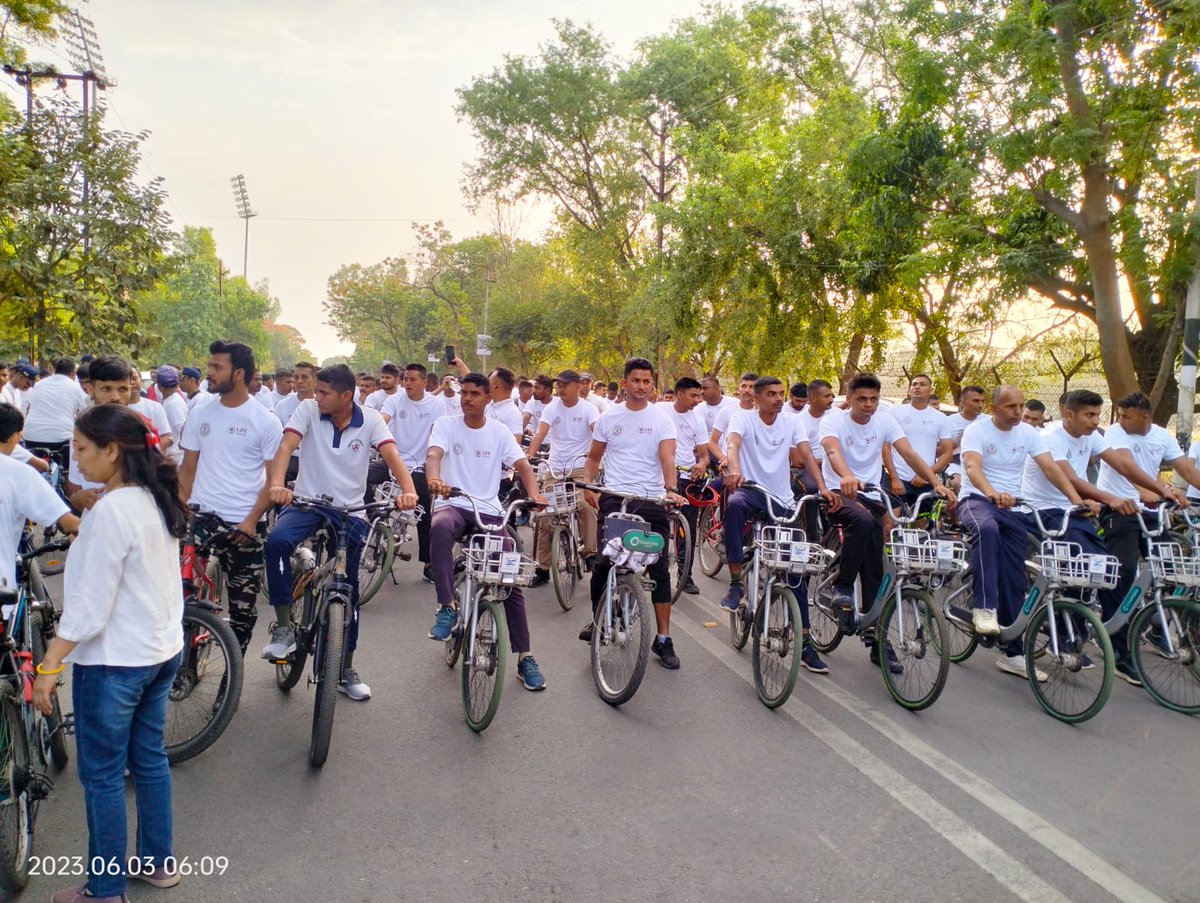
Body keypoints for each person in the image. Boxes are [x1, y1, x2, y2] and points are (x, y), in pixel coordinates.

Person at [35, 404, 185, 903]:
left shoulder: (112, 512)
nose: (76, 460)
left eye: (81, 449)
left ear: (112, 450)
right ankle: (158, 861)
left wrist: (50, 664)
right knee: (148, 760)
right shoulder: (152, 498)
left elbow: (90, 606)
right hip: (160, 651)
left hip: (116, 662)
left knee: (100, 777)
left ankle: (104, 890)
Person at [264, 365, 418, 700]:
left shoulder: (372, 419)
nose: (316, 397)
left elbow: (392, 456)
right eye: (316, 392)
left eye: (324, 393)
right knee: (276, 541)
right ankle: (284, 628)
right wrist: (277, 484)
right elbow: (286, 448)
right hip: (306, 502)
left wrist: (408, 491)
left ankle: (345, 667)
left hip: (349, 511)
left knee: (348, 588)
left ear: (346, 396)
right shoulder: (307, 410)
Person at [1021, 389, 1176, 684]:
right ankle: (1065, 636)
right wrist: (1112, 499)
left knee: (1104, 566)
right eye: (1089, 415)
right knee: (1079, 566)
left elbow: (1124, 465)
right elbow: (1073, 479)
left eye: (1097, 415)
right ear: (1069, 414)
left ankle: (1092, 630)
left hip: (1072, 509)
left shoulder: (1092, 436)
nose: (1095, 421)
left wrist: (1161, 490)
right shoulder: (1051, 437)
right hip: (1043, 510)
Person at [820, 373, 955, 672]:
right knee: (864, 522)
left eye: (874, 399)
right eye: (862, 399)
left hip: (872, 494)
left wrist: (937, 483)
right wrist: (845, 475)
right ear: (850, 398)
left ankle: (877, 639)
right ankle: (842, 586)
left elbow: (909, 453)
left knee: (877, 566)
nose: (868, 405)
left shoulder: (885, 421)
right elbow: (832, 451)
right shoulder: (833, 421)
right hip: (838, 494)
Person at [424, 373, 549, 691]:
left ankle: (525, 658)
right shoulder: (447, 425)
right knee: (438, 527)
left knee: (510, 575)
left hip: (490, 511)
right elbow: (434, 456)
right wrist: (436, 479)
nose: (467, 398)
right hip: (453, 503)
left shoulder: (499, 432)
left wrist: (534, 494)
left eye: (474, 394)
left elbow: (522, 466)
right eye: (463, 393)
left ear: (488, 398)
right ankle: (446, 608)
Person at [958, 385, 1089, 678]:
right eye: (1010, 407)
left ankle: (1014, 653)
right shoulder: (977, 431)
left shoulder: (1029, 434)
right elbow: (972, 466)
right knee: (987, 529)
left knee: (1015, 578)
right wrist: (991, 492)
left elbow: (1051, 468)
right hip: (977, 500)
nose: (1018, 412)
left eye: (1020, 406)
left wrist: (1076, 500)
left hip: (1014, 508)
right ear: (994, 409)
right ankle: (984, 607)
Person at [720, 377, 834, 674]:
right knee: (733, 505)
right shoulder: (742, 418)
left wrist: (821, 487)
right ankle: (735, 584)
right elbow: (733, 445)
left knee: (795, 570)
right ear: (756, 398)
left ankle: (806, 645)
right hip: (751, 489)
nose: (778, 398)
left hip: (782, 499)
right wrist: (734, 470)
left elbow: (807, 455)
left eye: (780, 393)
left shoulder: (791, 422)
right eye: (771, 394)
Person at [581, 358, 688, 668]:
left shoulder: (662, 420)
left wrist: (670, 489)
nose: (641, 386)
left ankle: (664, 639)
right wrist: (589, 486)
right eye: (636, 380)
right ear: (624, 382)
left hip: (653, 500)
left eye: (646, 381)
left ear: (651, 384)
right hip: (615, 499)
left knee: (659, 569)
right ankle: (599, 619)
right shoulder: (608, 418)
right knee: (603, 563)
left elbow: (667, 457)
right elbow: (593, 458)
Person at [178, 341, 284, 654]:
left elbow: (273, 479)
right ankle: (182, 665)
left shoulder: (265, 421)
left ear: (238, 373)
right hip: (201, 522)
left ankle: (230, 680)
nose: (209, 373)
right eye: (209, 366)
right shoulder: (201, 413)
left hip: (244, 528)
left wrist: (251, 520)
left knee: (241, 614)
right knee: (179, 598)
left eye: (216, 367)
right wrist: (179, 511)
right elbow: (187, 469)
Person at [1095, 392, 1200, 682]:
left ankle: (1158, 626)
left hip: (1152, 512)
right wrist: (1152, 490)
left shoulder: (1161, 437)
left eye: (1127, 416)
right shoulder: (1116, 433)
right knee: (1123, 572)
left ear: (1146, 417)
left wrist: (1161, 492)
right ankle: (1117, 647)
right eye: (1120, 414)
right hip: (1120, 509)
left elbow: (1188, 470)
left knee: (1170, 572)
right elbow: (1127, 466)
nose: (1121, 420)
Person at [528, 369, 599, 586]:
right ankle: (542, 567)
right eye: (558, 385)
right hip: (555, 468)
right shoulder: (552, 407)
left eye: (564, 385)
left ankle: (590, 553)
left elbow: (598, 432)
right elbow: (540, 432)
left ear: (577, 386)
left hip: (580, 467)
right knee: (545, 514)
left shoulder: (589, 409)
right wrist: (529, 455)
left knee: (586, 507)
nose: (560, 389)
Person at [378, 362, 446, 582]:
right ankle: (374, 533)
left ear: (424, 382)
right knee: (361, 479)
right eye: (405, 379)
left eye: (412, 379)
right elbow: (381, 422)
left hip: (419, 468)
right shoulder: (394, 399)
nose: (407, 383)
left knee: (425, 512)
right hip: (393, 463)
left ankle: (429, 563)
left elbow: (440, 433)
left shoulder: (436, 404)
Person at [657, 377, 710, 595]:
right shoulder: (659, 411)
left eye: (699, 395)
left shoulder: (697, 419)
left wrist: (701, 464)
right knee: (657, 526)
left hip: (688, 479)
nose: (698, 400)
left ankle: (684, 575)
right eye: (693, 395)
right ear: (680, 394)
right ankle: (655, 572)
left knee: (686, 528)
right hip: (659, 478)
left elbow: (705, 455)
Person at [882, 373, 953, 506]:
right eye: (914, 384)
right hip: (898, 478)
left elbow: (947, 453)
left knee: (919, 525)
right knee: (890, 524)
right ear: (909, 390)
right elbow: (885, 447)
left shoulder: (940, 418)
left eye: (922, 384)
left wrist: (925, 475)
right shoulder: (894, 412)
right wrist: (894, 477)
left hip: (925, 482)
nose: (917, 387)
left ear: (930, 390)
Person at [21, 357, 88, 469]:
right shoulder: (76, 388)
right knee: (67, 469)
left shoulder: (39, 385)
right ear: (73, 373)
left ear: (55, 370)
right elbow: (88, 410)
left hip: (30, 435)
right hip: (60, 439)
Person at [272, 360, 316, 485]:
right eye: (296, 377)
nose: (299, 381)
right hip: (291, 458)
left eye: (304, 377)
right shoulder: (282, 406)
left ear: (314, 380)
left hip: (315, 460)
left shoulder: (322, 405)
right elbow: (277, 438)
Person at [708, 373, 757, 471]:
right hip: (731, 468)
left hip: (754, 467)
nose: (747, 390)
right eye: (744, 386)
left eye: (751, 387)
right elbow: (712, 442)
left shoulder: (763, 413)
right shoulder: (726, 411)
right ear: (739, 389)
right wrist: (724, 459)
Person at [944, 385, 986, 491]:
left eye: (982, 401)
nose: (980, 405)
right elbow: (939, 452)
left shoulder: (988, 421)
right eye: (976, 401)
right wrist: (958, 440)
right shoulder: (948, 422)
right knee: (957, 483)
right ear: (962, 402)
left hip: (984, 464)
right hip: (957, 464)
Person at [155, 365, 189, 465]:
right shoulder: (169, 400)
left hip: (176, 457)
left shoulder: (174, 404)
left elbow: (182, 430)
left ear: (160, 386)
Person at [487, 366, 524, 443]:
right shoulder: (488, 404)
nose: (486, 385)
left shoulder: (512, 413)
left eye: (489, 382)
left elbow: (515, 445)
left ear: (496, 386)